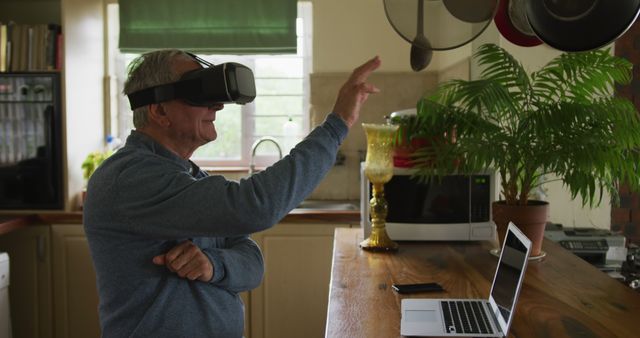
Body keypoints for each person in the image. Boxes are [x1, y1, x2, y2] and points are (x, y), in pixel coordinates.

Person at [83, 49, 381, 338]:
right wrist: (336, 126)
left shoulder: (189, 176)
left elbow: (253, 264)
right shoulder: (129, 179)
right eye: (199, 93)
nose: (217, 107)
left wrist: (213, 265)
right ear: (159, 110)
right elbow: (254, 206)